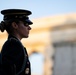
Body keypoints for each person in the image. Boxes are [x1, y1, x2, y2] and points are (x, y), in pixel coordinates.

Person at [0, 9, 33, 75]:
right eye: (26, 24)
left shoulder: (15, 44)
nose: (29, 28)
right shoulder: (13, 45)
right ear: (15, 25)